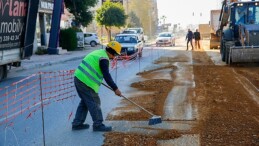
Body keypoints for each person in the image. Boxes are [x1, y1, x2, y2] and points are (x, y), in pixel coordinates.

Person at [72, 41, 122, 132]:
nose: (114, 57)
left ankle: (77, 123)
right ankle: (98, 125)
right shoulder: (104, 59)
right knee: (95, 102)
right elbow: (107, 76)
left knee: (85, 101)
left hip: (79, 78)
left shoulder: (99, 53)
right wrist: (115, 89)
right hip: (85, 82)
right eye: (115, 55)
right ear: (113, 52)